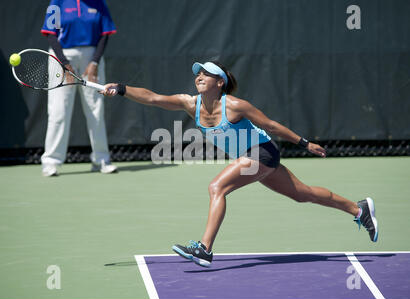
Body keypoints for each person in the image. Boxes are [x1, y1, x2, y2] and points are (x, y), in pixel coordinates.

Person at [102, 61, 379, 267]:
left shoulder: (235, 105)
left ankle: (205, 249)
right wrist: (122, 88)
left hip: (262, 152)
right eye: (198, 73)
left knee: (217, 187)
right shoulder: (190, 103)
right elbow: (152, 97)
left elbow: (270, 125)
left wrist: (305, 143)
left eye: (206, 74)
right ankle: (359, 209)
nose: (199, 76)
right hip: (250, 157)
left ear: (220, 82)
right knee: (301, 194)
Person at [40, 0, 117, 176]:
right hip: (61, 55)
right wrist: (64, 63)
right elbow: (51, 34)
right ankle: (51, 161)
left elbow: (105, 34)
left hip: (91, 57)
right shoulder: (57, 3)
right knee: (59, 111)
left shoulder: (99, 3)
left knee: (95, 109)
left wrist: (94, 62)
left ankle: (102, 159)